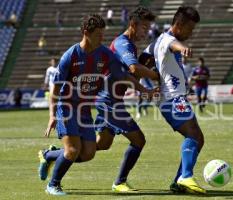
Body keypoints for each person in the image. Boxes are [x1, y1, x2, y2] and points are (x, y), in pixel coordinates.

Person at [38, 14, 152, 196]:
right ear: (86, 33)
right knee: (73, 150)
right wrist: (52, 115)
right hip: (66, 107)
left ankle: (49, 155)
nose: (102, 38)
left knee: (88, 153)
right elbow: (56, 91)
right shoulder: (70, 56)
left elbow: (123, 75)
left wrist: (141, 89)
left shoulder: (105, 54)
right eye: (98, 34)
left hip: (84, 109)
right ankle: (53, 184)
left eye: (103, 34)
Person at [95, 7, 158, 193]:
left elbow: (127, 76)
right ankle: (119, 182)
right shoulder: (123, 44)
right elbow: (133, 69)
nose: (146, 32)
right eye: (144, 28)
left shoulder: (129, 44)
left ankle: (51, 154)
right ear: (133, 24)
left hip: (109, 99)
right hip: (109, 101)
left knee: (101, 144)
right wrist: (157, 76)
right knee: (139, 140)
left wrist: (143, 89)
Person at [144, 6, 206, 194]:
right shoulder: (168, 40)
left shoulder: (157, 42)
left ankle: (179, 181)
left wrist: (146, 83)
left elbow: (142, 59)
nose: (191, 33)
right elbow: (175, 45)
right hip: (172, 98)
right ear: (179, 25)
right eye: (190, 29)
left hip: (173, 98)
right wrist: (184, 48)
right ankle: (185, 177)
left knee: (197, 138)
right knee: (194, 135)